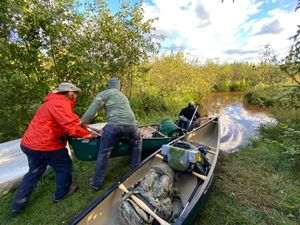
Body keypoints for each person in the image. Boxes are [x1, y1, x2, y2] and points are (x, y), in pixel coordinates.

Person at [12, 82, 95, 214]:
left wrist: (86, 126)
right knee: (64, 165)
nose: (76, 96)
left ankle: (18, 205)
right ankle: (62, 193)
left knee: (34, 172)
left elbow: (73, 120)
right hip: (46, 145)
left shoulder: (52, 102)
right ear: (70, 93)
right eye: (76, 94)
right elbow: (71, 126)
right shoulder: (60, 104)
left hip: (29, 145)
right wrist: (87, 134)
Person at [80, 77, 142, 190]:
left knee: (104, 152)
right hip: (131, 125)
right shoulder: (123, 96)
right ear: (118, 86)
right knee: (137, 143)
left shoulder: (104, 94)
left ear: (109, 86)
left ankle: (96, 183)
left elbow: (91, 111)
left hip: (113, 126)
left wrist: (83, 123)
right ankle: (135, 170)